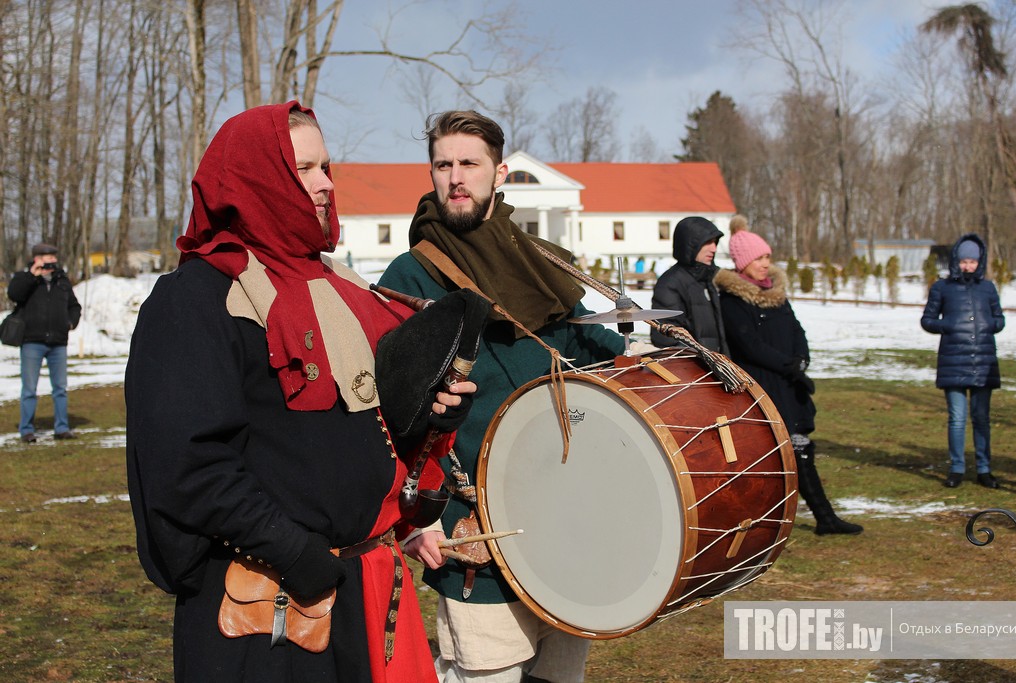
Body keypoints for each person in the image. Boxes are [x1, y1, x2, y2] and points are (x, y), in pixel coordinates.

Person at [125, 101, 478, 683]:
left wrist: (434, 412)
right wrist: (293, 553)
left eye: (325, 167)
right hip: (265, 602)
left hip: (363, 586)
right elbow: (186, 466)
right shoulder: (196, 299)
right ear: (257, 178)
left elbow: (367, 432)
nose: (324, 184)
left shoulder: (344, 287)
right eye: (305, 169)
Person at [379, 110, 623, 683]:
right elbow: (381, 413)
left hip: (564, 514)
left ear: (500, 172)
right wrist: (412, 517)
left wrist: (644, 361)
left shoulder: (536, 262)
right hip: (475, 530)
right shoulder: (408, 277)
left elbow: (585, 342)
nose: (456, 177)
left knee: (561, 676)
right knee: (487, 675)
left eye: (470, 163)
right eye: (444, 164)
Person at [715, 220, 863, 536]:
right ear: (743, 263)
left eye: (767, 257)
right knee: (773, 458)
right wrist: (789, 365)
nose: (766, 264)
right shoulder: (733, 300)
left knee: (801, 450)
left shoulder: (776, 294)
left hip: (789, 382)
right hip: (764, 385)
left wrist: (802, 358)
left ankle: (824, 518)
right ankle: (769, 522)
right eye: (759, 259)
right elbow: (749, 346)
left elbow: (797, 329)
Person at [920, 233, 1004, 489]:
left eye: (973, 261)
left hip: (983, 362)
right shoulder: (941, 288)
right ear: (957, 261)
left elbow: (999, 320)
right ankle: (956, 467)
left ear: (980, 262)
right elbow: (927, 320)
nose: (969, 266)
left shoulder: (988, 288)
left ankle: (984, 468)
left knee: (982, 418)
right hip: (953, 362)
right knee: (957, 418)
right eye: (964, 261)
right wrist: (949, 325)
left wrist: (988, 324)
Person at [8, 242, 82, 443]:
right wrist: (33, 276)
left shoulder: (62, 280)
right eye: (48, 258)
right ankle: (27, 430)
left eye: (54, 258)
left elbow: (75, 306)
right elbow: (14, 295)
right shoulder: (25, 278)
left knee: (60, 388)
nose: (53, 261)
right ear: (37, 258)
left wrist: (70, 322)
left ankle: (62, 428)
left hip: (58, 343)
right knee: (29, 389)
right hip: (32, 342)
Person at [650, 216, 729, 352]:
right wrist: (701, 364)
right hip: (695, 369)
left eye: (715, 242)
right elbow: (666, 339)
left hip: (717, 368)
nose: (714, 248)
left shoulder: (708, 279)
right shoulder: (670, 283)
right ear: (690, 245)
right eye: (708, 242)